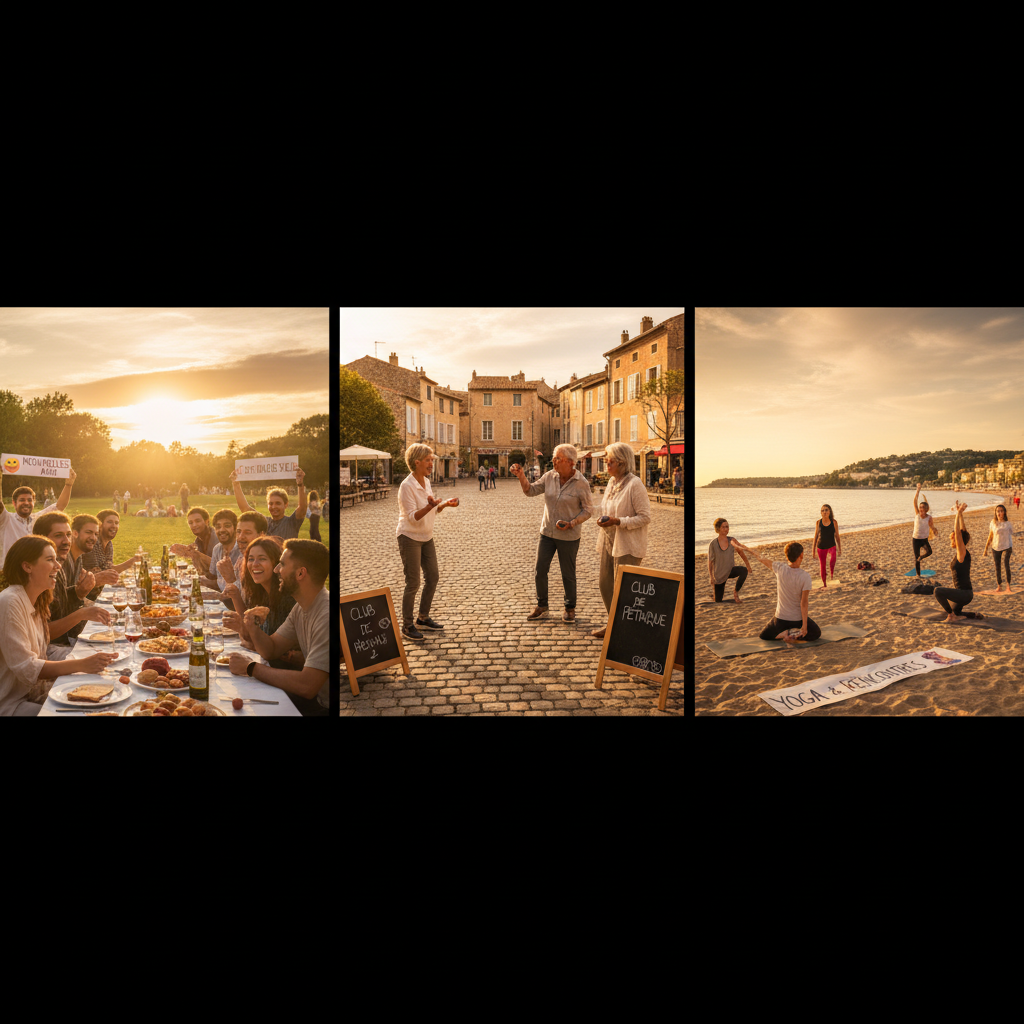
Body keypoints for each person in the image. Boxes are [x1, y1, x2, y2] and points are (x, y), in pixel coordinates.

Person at [0, 536, 121, 716]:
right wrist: (80, 664)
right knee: (79, 713)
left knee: (105, 698)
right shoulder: (10, 602)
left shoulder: (37, 599)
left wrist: (86, 660)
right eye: (50, 560)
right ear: (27, 566)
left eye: (56, 559)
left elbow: (42, 650)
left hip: (33, 691)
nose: (58, 566)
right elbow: (27, 667)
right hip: (12, 701)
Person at [228, 539, 330, 715]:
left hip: (320, 707)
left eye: (282, 564)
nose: (276, 570)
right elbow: (271, 649)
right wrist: (252, 626)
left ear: (300, 573)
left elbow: (307, 686)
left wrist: (251, 667)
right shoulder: (301, 607)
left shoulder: (326, 615)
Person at [512, 442, 593, 624]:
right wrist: (521, 476)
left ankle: (570, 608)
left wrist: (572, 523)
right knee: (540, 569)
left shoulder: (581, 484)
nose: (554, 462)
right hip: (547, 533)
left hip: (569, 536)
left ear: (571, 462)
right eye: (554, 458)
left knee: (568, 573)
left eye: (558, 459)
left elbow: (588, 510)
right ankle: (542, 605)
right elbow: (530, 491)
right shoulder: (550, 476)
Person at [396, 443, 459, 642]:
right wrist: (430, 505)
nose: (431, 464)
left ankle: (422, 617)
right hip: (409, 537)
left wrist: (444, 505)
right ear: (417, 462)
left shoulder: (425, 481)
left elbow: (431, 509)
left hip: (426, 537)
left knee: (432, 577)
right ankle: (407, 625)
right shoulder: (407, 486)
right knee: (413, 582)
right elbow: (414, 516)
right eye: (428, 461)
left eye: (432, 460)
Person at [589, 442, 651, 639]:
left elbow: (645, 517)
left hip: (627, 544)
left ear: (623, 463)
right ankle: (614, 623)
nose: (606, 463)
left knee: (624, 590)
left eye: (610, 460)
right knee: (605, 584)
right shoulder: (611, 483)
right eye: (606, 460)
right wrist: (594, 513)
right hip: (609, 541)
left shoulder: (635, 484)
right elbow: (605, 508)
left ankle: (624, 630)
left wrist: (618, 521)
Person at [31, 513, 111, 653]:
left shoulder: (58, 565)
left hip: (63, 641)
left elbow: (59, 605)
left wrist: (78, 593)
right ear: (40, 539)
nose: (67, 541)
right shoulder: (39, 572)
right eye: (58, 535)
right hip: (45, 649)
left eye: (68, 535)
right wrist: (81, 612)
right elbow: (42, 633)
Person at [222, 535, 299, 667]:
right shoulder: (260, 593)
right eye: (250, 559)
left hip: (286, 673)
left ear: (276, 563)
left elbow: (273, 651)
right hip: (267, 665)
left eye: (262, 559)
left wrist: (250, 643)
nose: (254, 564)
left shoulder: (287, 599)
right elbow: (251, 633)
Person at [736, 539, 822, 642]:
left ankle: (785, 633)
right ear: (801, 555)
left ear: (786, 556)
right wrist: (804, 626)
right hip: (797, 619)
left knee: (764, 636)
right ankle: (793, 634)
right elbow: (804, 603)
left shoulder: (780, 568)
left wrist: (746, 548)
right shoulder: (805, 577)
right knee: (816, 634)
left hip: (781, 618)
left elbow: (760, 558)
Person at [0, 467, 76, 566]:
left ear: (34, 502)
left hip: (34, 571)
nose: (26, 503)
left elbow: (60, 505)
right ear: (14, 503)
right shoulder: (6, 519)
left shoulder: (39, 518)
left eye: (29, 500)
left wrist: (68, 484)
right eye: (22, 500)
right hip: (11, 571)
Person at [935, 501, 984, 621]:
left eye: (952, 538)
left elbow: (958, 532)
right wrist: (961, 514)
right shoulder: (962, 553)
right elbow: (962, 531)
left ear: (958, 540)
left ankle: (951, 616)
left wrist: (957, 514)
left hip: (964, 594)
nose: (950, 539)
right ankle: (972, 615)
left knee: (937, 591)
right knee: (957, 611)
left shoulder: (962, 553)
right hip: (963, 593)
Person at [231, 466, 308, 540]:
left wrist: (300, 484)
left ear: (286, 504)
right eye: (271, 503)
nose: (274, 507)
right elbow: (245, 508)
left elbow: (302, 508)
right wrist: (236, 484)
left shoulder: (292, 522)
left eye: (278, 503)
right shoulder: (264, 522)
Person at [80, 510, 141, 599]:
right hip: (90, 597)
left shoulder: (108, 544)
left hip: (102, 592)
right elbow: (97, 575)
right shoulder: (92, 543)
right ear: (99, 525)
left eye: (116, 523)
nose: (114, 526)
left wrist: (132, 561)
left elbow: (108, 569)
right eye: (109, 522)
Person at [217, 511, 267, 609]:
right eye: (239, 532)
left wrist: (230, 579)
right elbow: (226, 595)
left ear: (261, 535)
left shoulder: (262, 563)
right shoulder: (242, 558)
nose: (240, 537)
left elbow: (249, 607)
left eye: (247, 533)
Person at [68, 514, 120, 600]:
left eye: (96, 534)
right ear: (75, 533)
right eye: (88, 532)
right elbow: (60, 600)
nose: (93, 538)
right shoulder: (63, 559)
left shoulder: (78, 558)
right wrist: (93, 580)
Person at [707, 517, 751, 606]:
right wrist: (711, 577)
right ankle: (714, 594)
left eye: (727, 526)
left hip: (730, 570)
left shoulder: (732, 540)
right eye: (724, 527)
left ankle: (736, 592)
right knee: (718, 601)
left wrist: (748, 565)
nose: (726, 529)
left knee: (743, 570)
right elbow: (710, 562)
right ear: (718, 529)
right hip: (719, 575)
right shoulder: (713, 544)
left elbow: (741, 552)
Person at [196, 508, 240, 593]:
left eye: (227, 526)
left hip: (238, 601)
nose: (222, 530)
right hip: (222, 597)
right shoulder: (217, 549)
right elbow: (214, 579)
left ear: (235, 528)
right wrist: (196, 580)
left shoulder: (242, 551)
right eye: (218, 527)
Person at [170, 507, 217, 574]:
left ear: (207, 521)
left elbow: (220, 567)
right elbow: (200, 570)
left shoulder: (217, 539)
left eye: (198, 521)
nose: (194, 525)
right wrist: (188, 552)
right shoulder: (198, 541)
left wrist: (197, 554)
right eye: (190, 523)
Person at [983, 503, 1013, 592]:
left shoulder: (1008, 524)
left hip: (1007, 546)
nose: (999, 513)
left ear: (1004, 512)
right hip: (995, 547)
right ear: (995, 513)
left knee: (1006, 565)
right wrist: (986, 549)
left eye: (1001, 511)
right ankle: (999, 586)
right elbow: (990, 535)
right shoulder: (993, 523)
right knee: (997, 566)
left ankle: (1008, 586)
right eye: (997, 511)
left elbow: (1011, 533)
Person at [811, 503, 842, 587]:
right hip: (821, 546)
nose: (824, 512)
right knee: (823, 565)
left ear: (829, 511)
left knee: (833, 560)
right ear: (821, 513)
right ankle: (824, 584)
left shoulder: (834, 522)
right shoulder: (818, 522)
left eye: (826, 510)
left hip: (832, 545)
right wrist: (813, 550)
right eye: (822, 510)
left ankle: (831, 574)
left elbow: (837, 536)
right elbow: (816, 536)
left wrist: (839, 548)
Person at [912, 484, 936, 577]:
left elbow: (931, 526)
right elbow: (914, 501)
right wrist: (918, 490)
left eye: (923, 507)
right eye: (920, 507)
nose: (921, 508)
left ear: (926, 509)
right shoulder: (917, 514)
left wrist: (934, 530)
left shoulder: (929, 517)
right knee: (916, 558)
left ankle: (921, 557)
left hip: (924, 539)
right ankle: (918, 575)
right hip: (915, 539)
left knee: (929, 552)